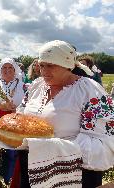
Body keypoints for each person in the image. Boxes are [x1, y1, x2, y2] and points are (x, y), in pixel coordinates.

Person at [14, 40, 114, 188]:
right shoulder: (37, 86)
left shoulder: (89, 91)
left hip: (71, 173)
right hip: (31, 166)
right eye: (41, 65)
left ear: (67, 65)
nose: (44, 71)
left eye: (51, 65)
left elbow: (104, 143)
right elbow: (21, 113)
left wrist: (54, 145)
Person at [0, 58, 25, 186]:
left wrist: (17, 108)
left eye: (10, 68)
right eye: (4, 68)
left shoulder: (22, 85)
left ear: (15, 70)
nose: (7, 71)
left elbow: (28, 103)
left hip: (14, 122)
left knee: (11, 153)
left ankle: (7, 180)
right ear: (0, 70)